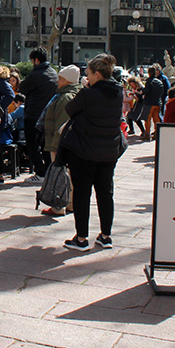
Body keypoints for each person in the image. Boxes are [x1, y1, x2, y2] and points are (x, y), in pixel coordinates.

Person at [58, 54, 124, 252]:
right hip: (109, 151)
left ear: (96, 74)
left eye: (88, 74)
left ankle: (81, 238)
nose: (86, 77)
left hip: (84, 151)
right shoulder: (118, 92)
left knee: (82, 194)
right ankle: (106, 235)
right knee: (105, 193)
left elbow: (70, 109)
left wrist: (86, 89)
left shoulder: (88, 94)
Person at [41, 64, 82, 216]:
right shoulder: (74, 94)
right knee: (69, 175)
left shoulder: (65, 97)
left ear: (67, 80)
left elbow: (62, 125)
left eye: (60, 78)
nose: (58, 81)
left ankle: (58, 206)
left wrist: (57, 145)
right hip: (69, 143)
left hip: (59, 142)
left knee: (59, 174)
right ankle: (70, 203)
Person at [19, 47, 58, 181]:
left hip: (34, 114)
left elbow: (22, 88)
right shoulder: (53, 72)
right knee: (45, 145)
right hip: (49, 115)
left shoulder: (36, 75)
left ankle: (40, 173)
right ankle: (47, 171)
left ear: (36, 60)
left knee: (32, 144)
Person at [141, 66, 164, 140]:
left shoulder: (149, 81)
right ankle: (157, 134)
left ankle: (147, 134)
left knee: (147, 118)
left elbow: (146, 91)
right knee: (156, 119)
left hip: (149, 102)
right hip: (157, 102)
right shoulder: (159, 82)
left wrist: (142, 91)